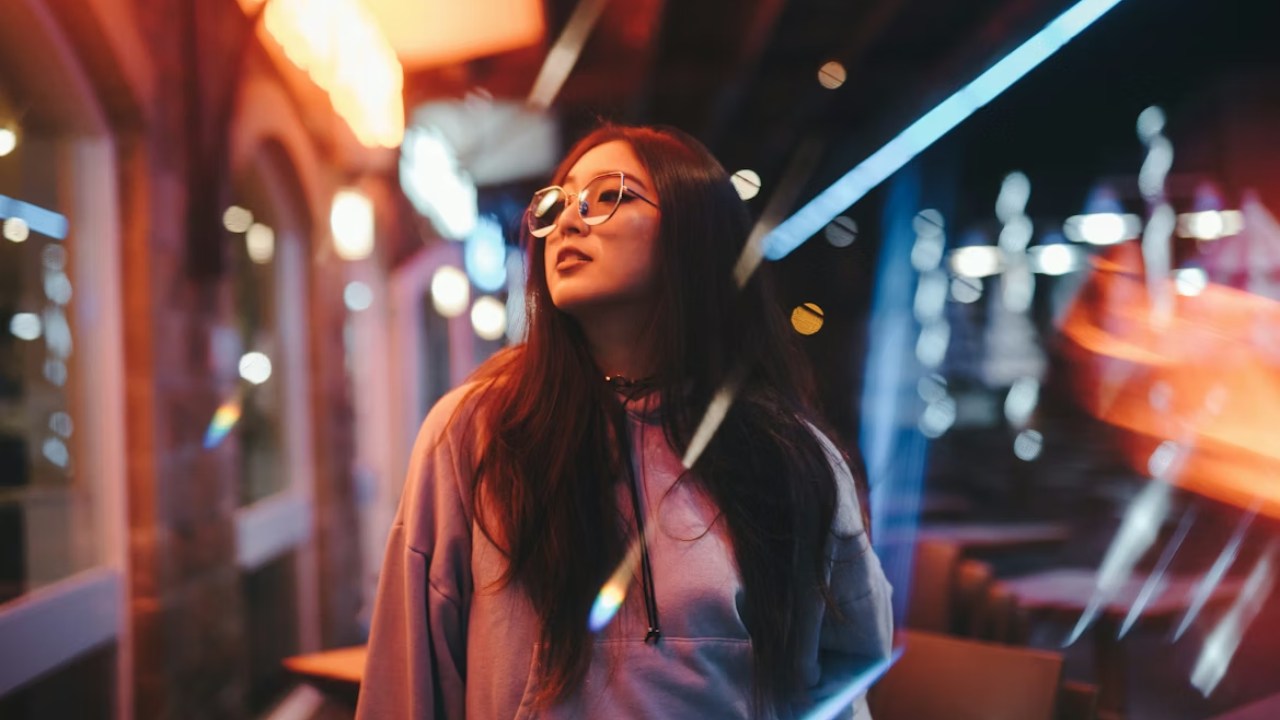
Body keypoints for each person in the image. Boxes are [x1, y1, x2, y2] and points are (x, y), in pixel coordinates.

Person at [356, 124, 893, 720]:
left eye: (609, 195)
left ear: (698, 235)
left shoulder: (791, 456)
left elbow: (844, 679)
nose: (569, 221)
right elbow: (407, 682)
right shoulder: (479, 432)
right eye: (556, 205)